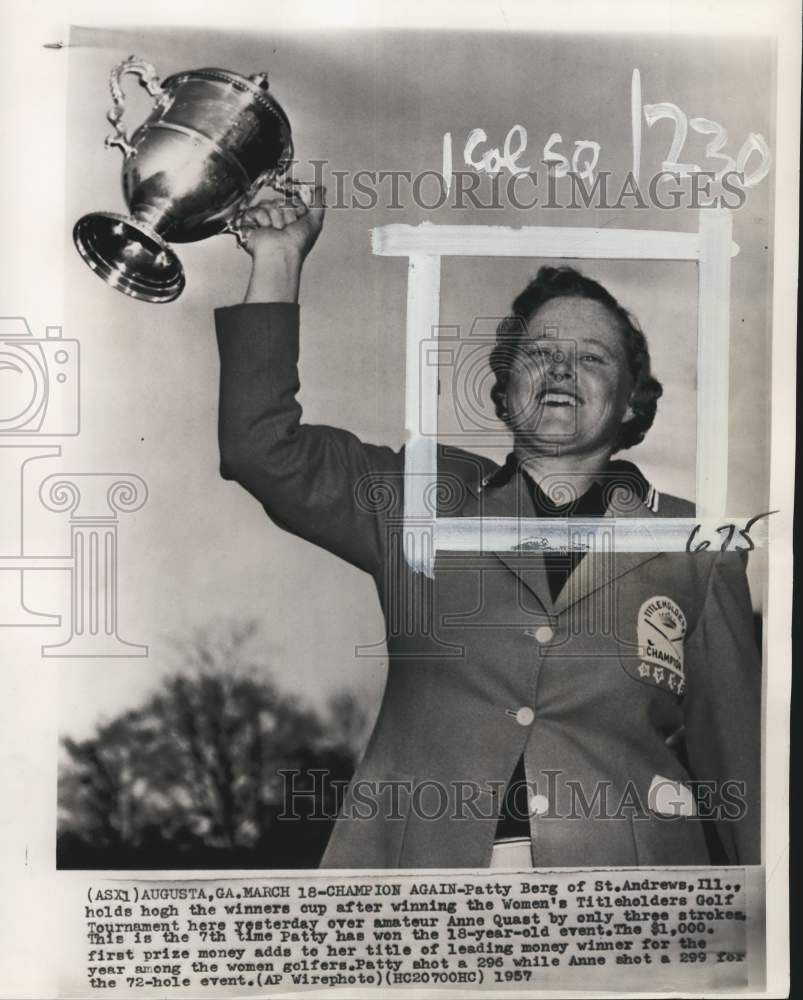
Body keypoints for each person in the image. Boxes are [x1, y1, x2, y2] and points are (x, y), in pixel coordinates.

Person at [215, 187, 760, 869]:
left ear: (630, 402)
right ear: (504, 391)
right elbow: (261, 448)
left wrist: (762, 915)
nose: (561, 368)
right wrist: (278, 256)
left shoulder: (697, 546)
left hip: (623, 898)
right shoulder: (419, 495)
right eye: (539, 353)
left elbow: (744, 771)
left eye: (593, 357)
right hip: (420, 886)